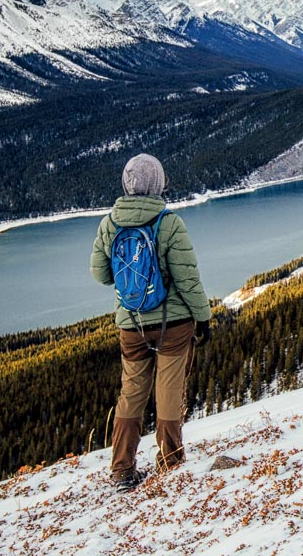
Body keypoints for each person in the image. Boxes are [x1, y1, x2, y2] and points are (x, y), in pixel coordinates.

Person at [90, 153, 212, 492]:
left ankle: (122, 471)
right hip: (172, 325)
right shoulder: (169, 223)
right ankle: (170, 463)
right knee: (169, 392)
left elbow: (101, 275)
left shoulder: (109, 224)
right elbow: (188, 281)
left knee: (131, 393)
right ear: (158, 184)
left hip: (130, 324)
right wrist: (202, 318)